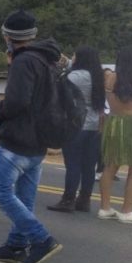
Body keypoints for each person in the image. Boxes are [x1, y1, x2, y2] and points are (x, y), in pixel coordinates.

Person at [0, 10, 62, 263]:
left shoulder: (24, 61)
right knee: (24, 198)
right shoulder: (48, 60)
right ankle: (16, 245)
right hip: (38, 141)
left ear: (8, 36)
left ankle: (41, 238)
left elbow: (17, 101)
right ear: (34, 34)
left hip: (18, 139)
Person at [47, 46, 105, 213]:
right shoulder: (98, 76)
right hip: (94, 125)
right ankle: (84, 200)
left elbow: (59, 91)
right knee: (89, 165)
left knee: (73, 163)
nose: (72, 58)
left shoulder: (76, 76)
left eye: (74, 55)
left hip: (76, 124)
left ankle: (68, 199)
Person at [98, 49, 132, 223]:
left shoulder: (111, 77)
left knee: (109, 167)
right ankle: (127, 211)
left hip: (113, 123)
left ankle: (105, 208)